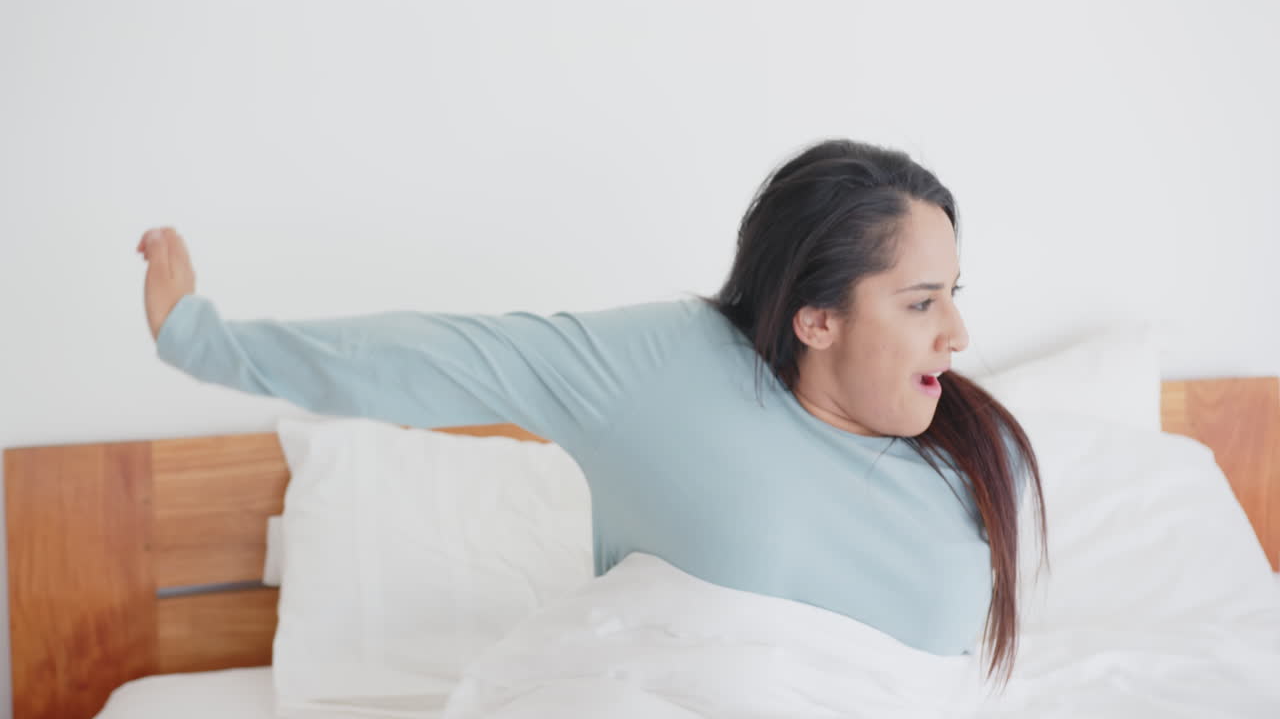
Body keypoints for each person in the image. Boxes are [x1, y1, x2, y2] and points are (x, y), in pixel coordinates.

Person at [137, 138, 1046, 691]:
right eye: (921, 302)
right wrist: (203, 343)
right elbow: (439, 356)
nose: (958, 334)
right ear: (817, 319)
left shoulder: (983, 449)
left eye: (954, 294)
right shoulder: (668, 369)